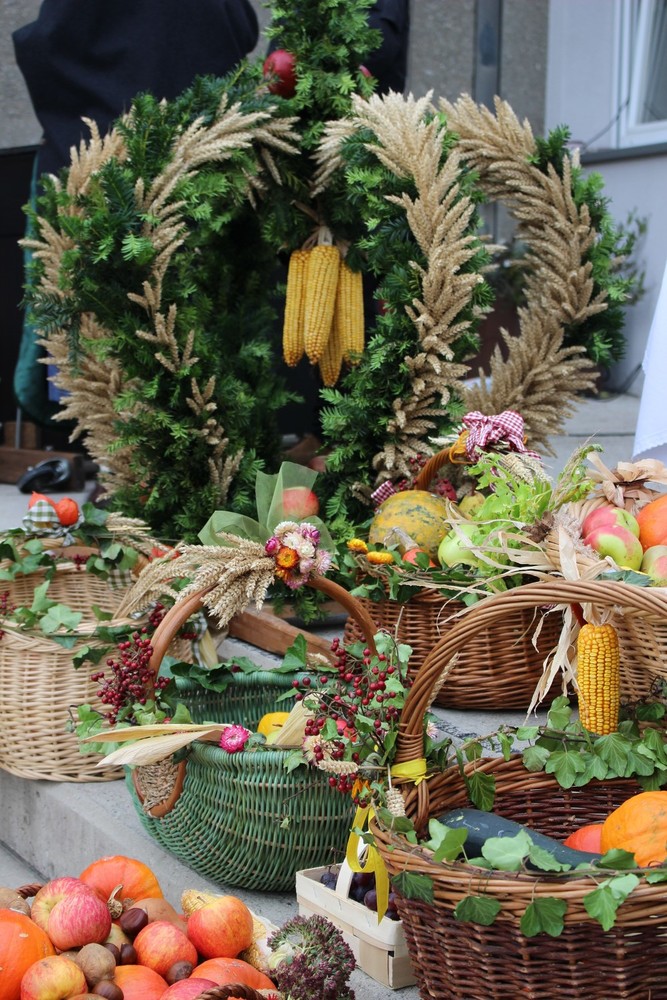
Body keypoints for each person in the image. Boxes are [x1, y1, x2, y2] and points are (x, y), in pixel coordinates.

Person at [11, 0, 260, 428]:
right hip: (197, 169)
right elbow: (239, 28)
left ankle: (115, 449)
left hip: (101, 159)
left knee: (103, 339)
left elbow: (52, 38)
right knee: (198, 341)